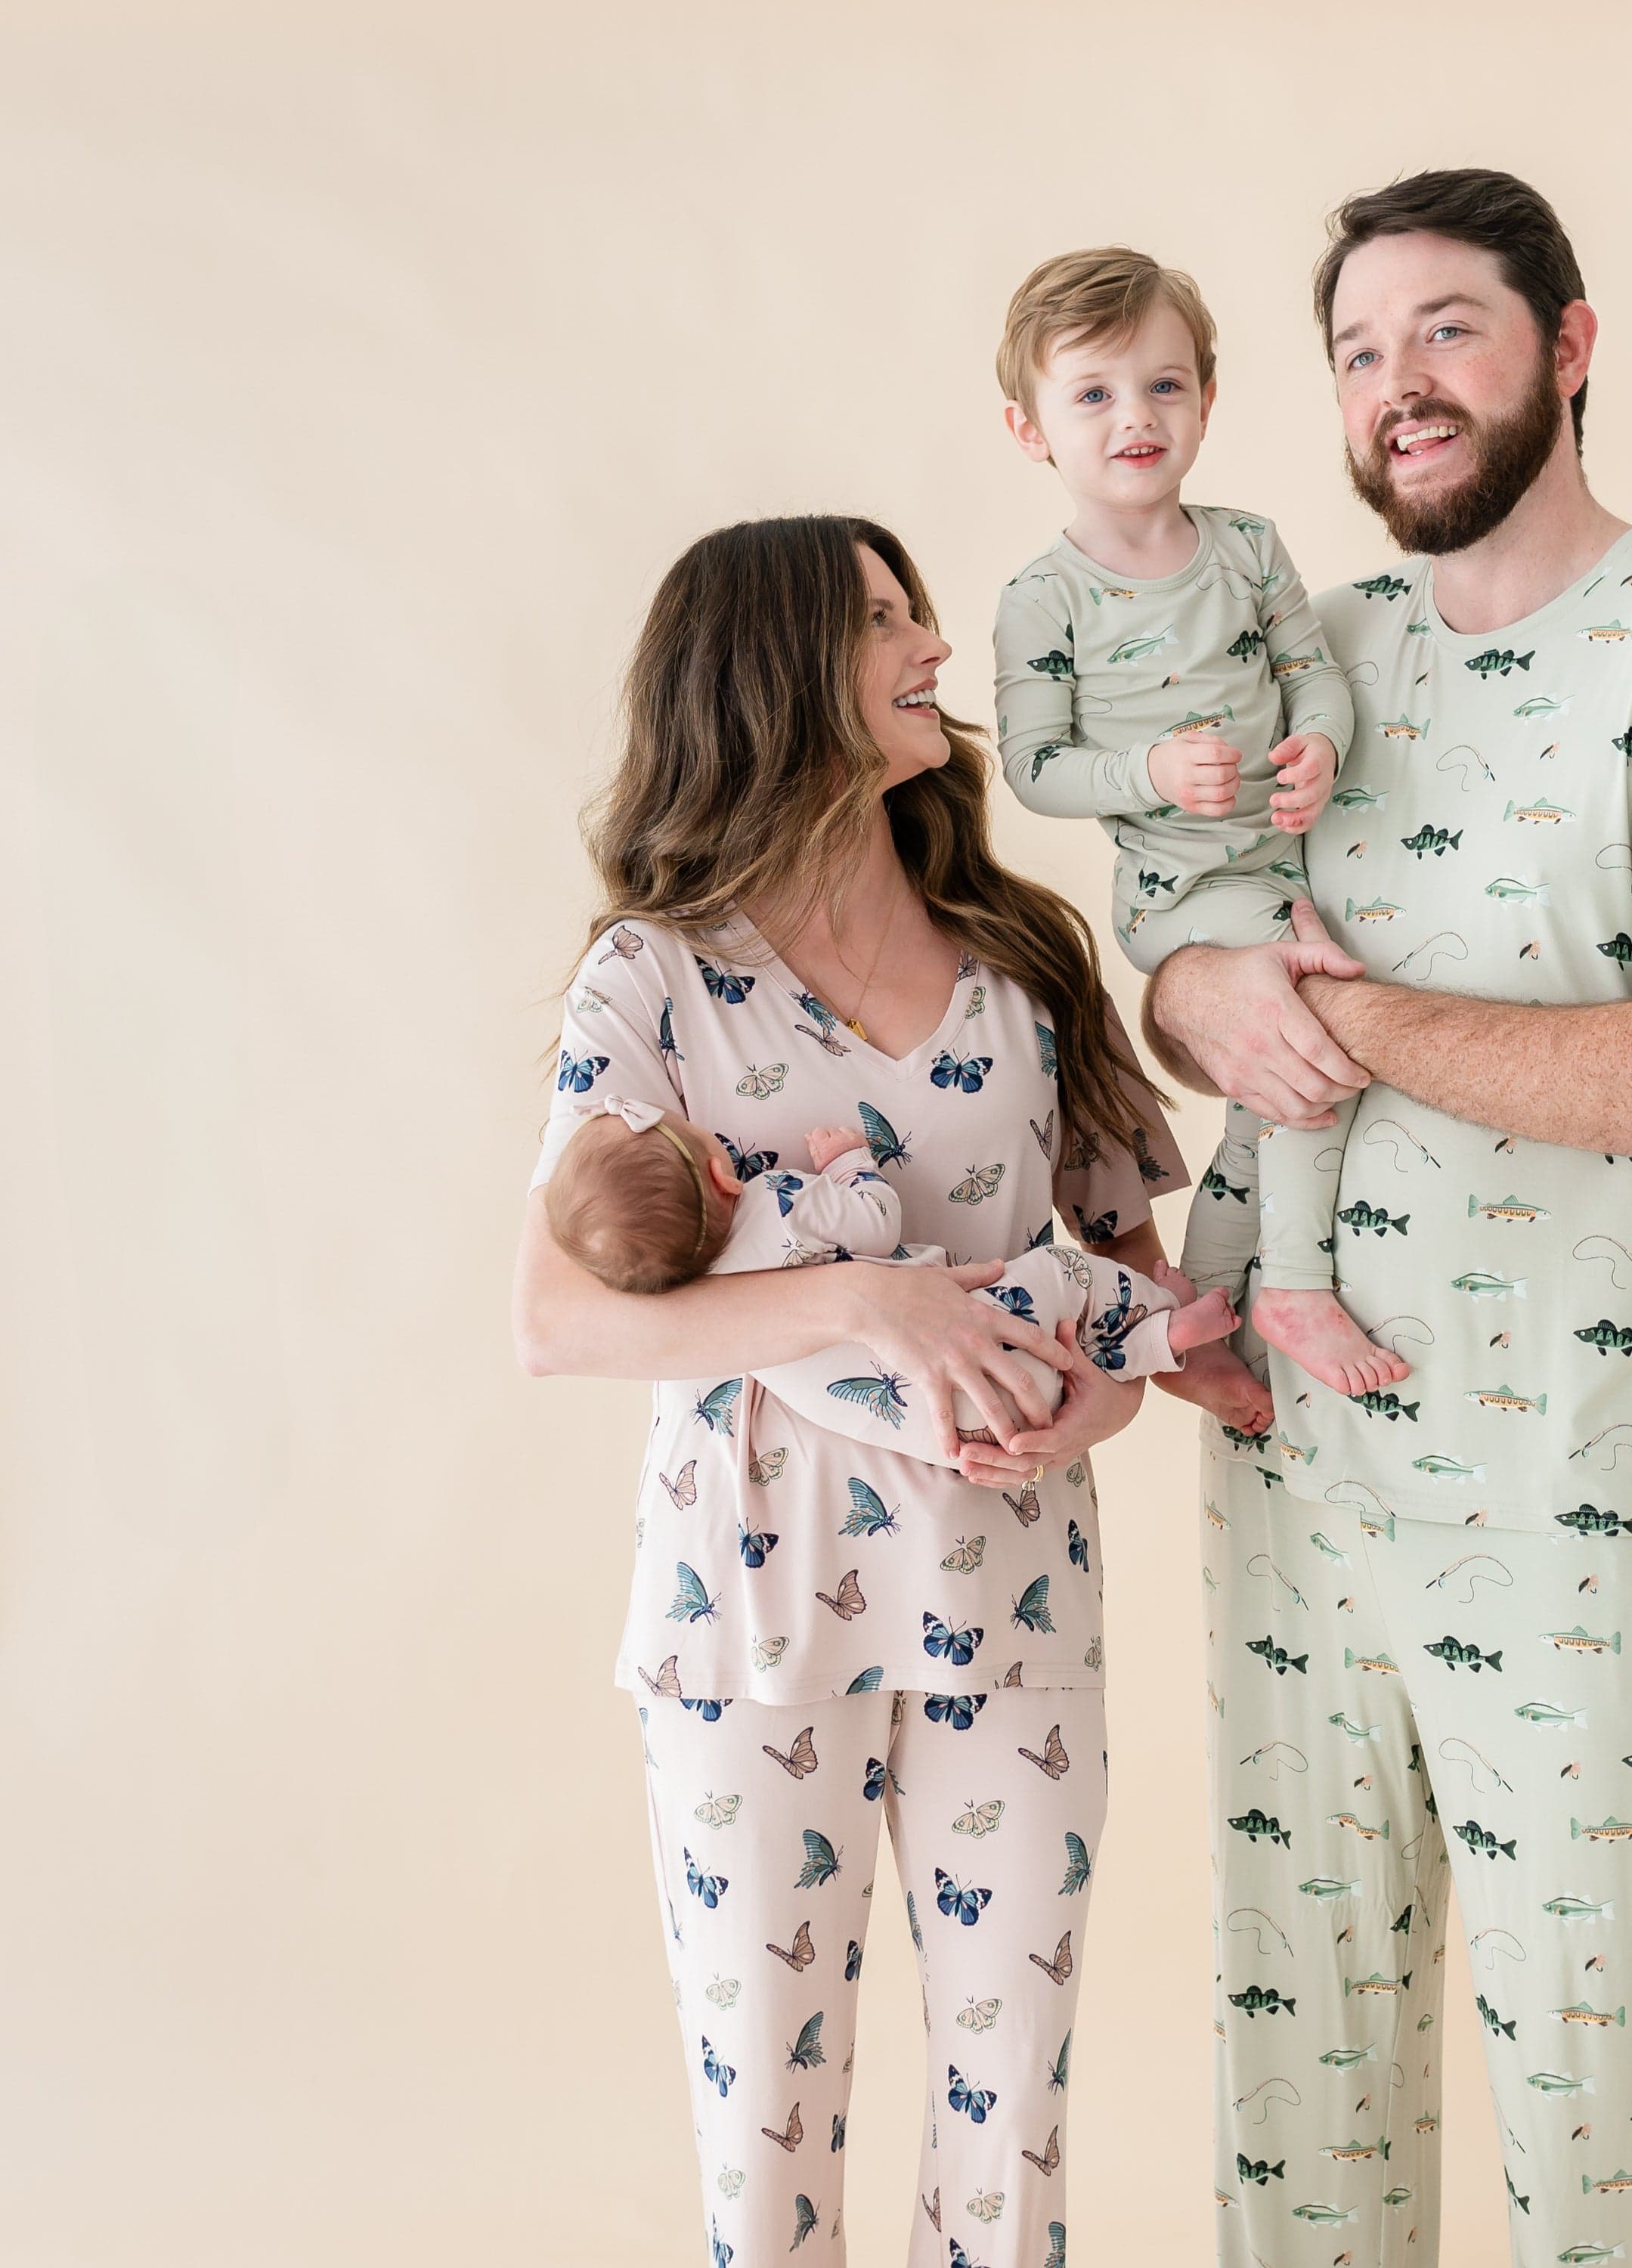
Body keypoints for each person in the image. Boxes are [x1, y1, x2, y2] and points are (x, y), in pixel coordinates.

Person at [1140, 170, 1632, 2268]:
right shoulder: (1315, 656)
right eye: (1358, 352)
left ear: (1569, 342)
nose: (1399, 385)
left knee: (1594, 2072)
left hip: (1572, 1490)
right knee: (1301, 2076)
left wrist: (1343, 1018)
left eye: (1446, 329)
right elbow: (1186, 966)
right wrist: (1200, 992)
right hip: (1295, 1460)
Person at [513, 516, 1193, 2268]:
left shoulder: (1026, 958)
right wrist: (868, 1298)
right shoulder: (653, 977)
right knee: (766, 2138)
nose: (931, 646)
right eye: (885, 618)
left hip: (1013, 1597)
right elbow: (558, 1319)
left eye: (917, 611)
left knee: (1010, 2128)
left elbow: (1141, 1285)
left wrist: (1097, 1406)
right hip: (750, 1615)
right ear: (775, 668)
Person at [993, 246, 1407, 1409]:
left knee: (1259, 1104)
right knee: (1312, 1047)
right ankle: (1299, 1285)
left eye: (1164, 385)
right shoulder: (1044, 598)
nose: (1136, 417)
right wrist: (1150, 771)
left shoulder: (1248, 547)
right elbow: (1034, 766)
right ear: (1031, 430)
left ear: (1207, 400)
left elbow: (1313, 676)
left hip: (1284, 861)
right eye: (1093, 394)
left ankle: (1195, 1311)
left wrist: (1320, 745)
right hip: (1180, 892)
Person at [543, 1094, 1237, 1461]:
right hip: (997, 1333)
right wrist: (849, 1165)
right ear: (723, 1174)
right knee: (1065, 1277)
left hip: (949, 1431)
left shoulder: (719, 1315)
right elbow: (875, 1223)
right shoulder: (778, 1203)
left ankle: (1161, 1344)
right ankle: (1161, 1319)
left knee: (1062, 1349)